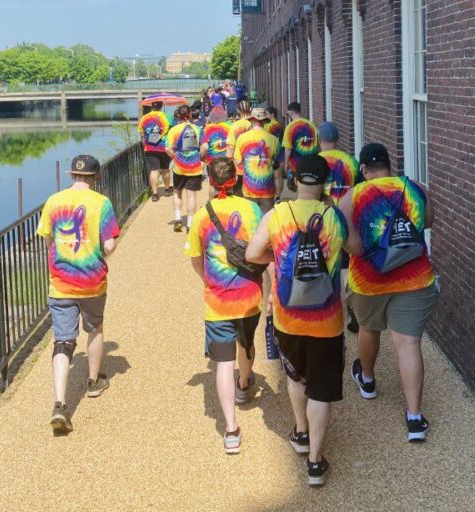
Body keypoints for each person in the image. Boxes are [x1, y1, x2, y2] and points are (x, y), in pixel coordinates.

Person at [246, 154, 347, 486]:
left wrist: (277, 259)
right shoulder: (333, 216)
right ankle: (315, 462)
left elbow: (252, 254)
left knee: (295, 377)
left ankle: (301, 432)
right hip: (327, 319)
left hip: (288, 317)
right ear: (324, 183)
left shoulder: (277, 214)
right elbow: (357, 249)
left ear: (295, 179)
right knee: (321, 388)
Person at [339, 143, 437, 442]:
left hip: (370, 279)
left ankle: (367, 380)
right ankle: (415, 418)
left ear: (363, 169)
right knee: (408, 343)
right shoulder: (414, 187)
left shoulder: (353, 196)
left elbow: (351, 244)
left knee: (369, 328)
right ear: (388, 164)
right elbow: (427, 222)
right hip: (414, 278)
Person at [37, 154, 120, 434]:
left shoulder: (53, 201)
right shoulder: (102, 203)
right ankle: (94, 382)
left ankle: (60, 403)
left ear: (72, 175)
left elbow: (48, 239)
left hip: (60, 282)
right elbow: (109, 246)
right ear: (95, 177)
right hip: (92, 281)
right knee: (95, 328)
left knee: (63, 340)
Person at [187, 158, 263, 454]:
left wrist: (208, 280)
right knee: (246, 343)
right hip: (249, 295)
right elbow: (263, 249)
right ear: (235, 179)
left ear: (210, 180)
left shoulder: (202, 216)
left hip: (217, 300)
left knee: (222, 363)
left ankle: (231, 430)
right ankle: (244, 384)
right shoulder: (252, 210)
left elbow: (196, 259)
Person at [317, 121, 361, 333]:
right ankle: (353, 307)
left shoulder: (316, 161)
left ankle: (326, 309)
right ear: (337, 139)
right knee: (345, 266)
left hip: (324, 220)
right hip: (348, 220)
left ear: (319, 140)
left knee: (324, 264)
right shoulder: (352, 162)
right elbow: (360, 190)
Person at [165, 105, 204, 233]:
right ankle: (189, 224)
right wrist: (199, 156)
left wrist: (175, 157)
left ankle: (178, 219)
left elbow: (167, 148)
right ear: (190, 114)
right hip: (194, 167)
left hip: (179, 167)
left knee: (177, 192)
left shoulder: (173, 130)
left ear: (179, 116)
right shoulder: (198, 129)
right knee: (191, 196)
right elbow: (205, 146)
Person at [233, 108, 280, 214]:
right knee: (266, 220)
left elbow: (238, 162)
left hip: (249, 188)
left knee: (251, 218)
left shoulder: (242, 138)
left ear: (251, 120)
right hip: (267, 188)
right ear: (264, 121)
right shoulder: (274, 140)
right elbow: (277, 163)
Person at [138, 101, 172, 202]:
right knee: (165, 169)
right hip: (163, 146)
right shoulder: (166, 116)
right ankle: (167, 189)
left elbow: (141, 131)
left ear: (151, 107)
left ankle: (155, 194)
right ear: (161, 107)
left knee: (154, 170)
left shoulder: (144, 118)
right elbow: (170, 128)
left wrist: (145, 139)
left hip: (150, 147)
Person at [282, 102, 318, 192]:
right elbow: (317, 144)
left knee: (298, 186)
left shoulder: (289, 127)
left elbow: (288, 148)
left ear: (291, 113)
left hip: (296, 165)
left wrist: (286, 164)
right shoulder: (312, 125)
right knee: (310, 185)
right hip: (312, 162)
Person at [201, 116, 232, 197]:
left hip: (212, 161)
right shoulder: (229, 126)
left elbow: (204, 146)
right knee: (228, 183)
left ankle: (212, 202)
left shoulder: (208, 128)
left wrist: (202, 157)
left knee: (212, 184)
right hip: (226, 160)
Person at [226, 100, 252, 193]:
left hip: (239, 164)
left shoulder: (234, 126)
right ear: (250, 109)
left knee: (238, 191)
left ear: (238, 110)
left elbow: (231, 147)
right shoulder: (254, 124)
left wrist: (227, 162)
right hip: (254, 163)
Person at [266, 106, 285, 201]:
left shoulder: (268, 126)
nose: (265, 116)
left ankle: (272, 195)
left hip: (272, 152)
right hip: (281, 152)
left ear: (272, 114)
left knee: (271, 176)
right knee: (279, 176)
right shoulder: (281, 125)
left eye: (267, 114)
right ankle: (278, 196)